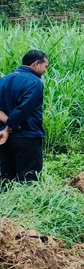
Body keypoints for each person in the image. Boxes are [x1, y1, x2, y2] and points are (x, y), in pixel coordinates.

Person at [0, 50, 50, 184]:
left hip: (4, 138)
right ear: (36, 64)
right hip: (27, 136)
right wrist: (11, 123)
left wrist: (6, 128)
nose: (45, 71)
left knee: (6, 179)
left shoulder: (4, 80)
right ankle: (27, 205)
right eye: (45, 66)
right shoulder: (35, 83)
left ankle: (7, 204)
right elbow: (23, 109)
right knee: (29, 179)